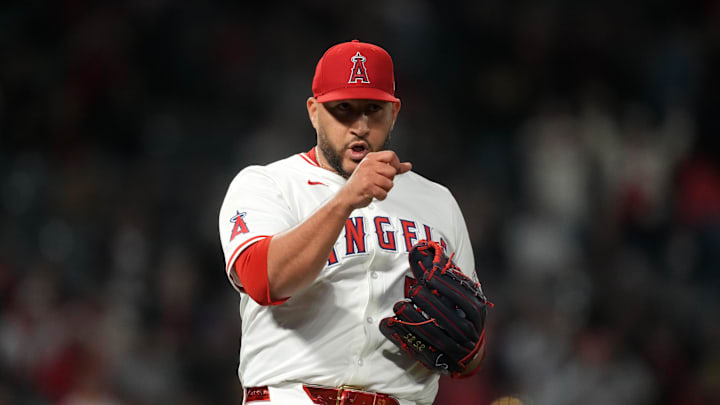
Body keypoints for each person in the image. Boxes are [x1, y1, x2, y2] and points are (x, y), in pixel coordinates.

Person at [218, 40, 485, 405]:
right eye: (343, 109)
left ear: (393, 113)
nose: (359, 126)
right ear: (314, 112)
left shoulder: (437, 203)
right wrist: (346, 199)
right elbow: (264, 280)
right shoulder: (268, 184)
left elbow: (470, 348)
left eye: (372, 110)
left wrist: (468, 348)